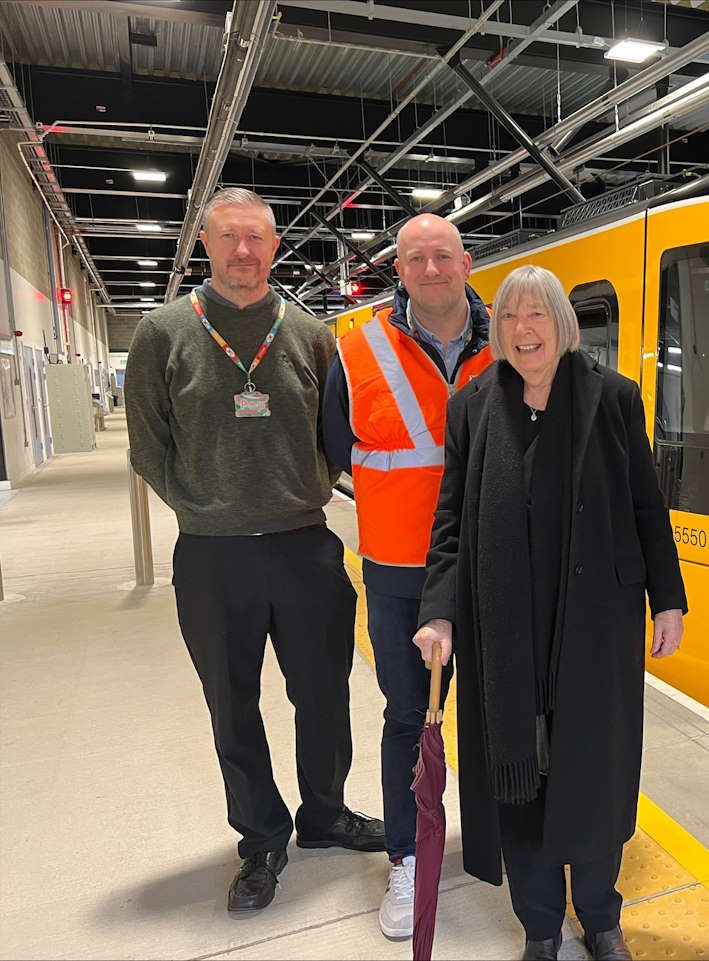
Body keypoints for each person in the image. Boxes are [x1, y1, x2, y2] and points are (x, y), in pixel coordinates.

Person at [412, 265, 686, 961]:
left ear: (563, 324)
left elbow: (647, 507)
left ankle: (600, 918)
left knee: (593, 773)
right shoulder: (473, 405)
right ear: (497, 329)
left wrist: (670, 598)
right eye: (509, 317)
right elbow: (449, 521)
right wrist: (439, 611)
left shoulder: (613, 398)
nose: (523, 329)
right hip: (503, 632)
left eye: (536, 315)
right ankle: (540, 925)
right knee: (519, 780)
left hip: (595, 625)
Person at [125, 187, 384, 915]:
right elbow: (148, 444)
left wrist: (301, 490)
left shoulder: (308, 334)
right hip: (212, 558)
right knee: (231, 706)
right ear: (204, 242)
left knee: (326, 696)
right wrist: (205, 507)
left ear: (275, 247)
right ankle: (262, 835)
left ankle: (325, 813)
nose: (244, 250)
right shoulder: (163, 332)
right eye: (229, 236)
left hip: (306, 546)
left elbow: (337, 438)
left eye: (258, 238)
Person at [322, 212, 493, 939]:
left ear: (466, 262)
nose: (430, 268)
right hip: (400, 573)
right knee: (409, 718)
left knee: (495, 713)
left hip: (491, 566)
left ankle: (493, 842)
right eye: (415, 257)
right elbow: (333, 448)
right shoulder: (357, 349)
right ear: (399, 268)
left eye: (443, 255)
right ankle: (406, 856)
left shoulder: (510, 342)